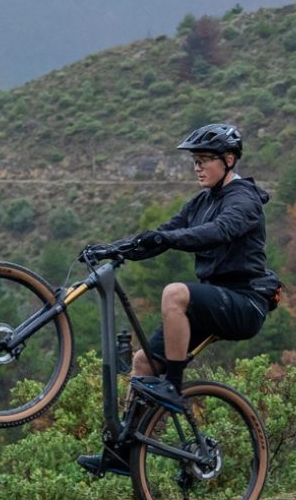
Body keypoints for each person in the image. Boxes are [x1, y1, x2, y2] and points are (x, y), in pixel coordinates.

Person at [77, 121, 279, 476]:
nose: (197, 167)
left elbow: (217, 232)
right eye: (195, 161)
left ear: (229, 160)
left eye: (205, 160)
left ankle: (173, 385)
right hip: (212, 302)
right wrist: (116, 248)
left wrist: (170, 240)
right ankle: (124, 454)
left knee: (174, 293)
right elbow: (163, 233)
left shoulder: (244, 199)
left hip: (244, 301)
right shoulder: (201, 201)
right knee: (141, 364)